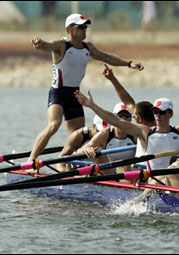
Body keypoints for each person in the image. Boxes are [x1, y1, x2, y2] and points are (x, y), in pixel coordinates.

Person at [27, 13, 144, 166]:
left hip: (75, 94)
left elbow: (107, 57)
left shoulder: (88, 47)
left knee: (77, 136)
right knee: (54, 125)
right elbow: (46, 46)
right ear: (69, 29)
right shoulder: (61, 45)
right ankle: (30, 162)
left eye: (85, 27)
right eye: (80, 27)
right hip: (58, 93)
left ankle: (71, 167)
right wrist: (39, 43)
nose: (84, 29)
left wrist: (129, 64)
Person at [74, 90, 179, 189]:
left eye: (161, 113)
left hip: (178, 180)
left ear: (170, 114)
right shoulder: (145, 132)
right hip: (153, 180)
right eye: (155, 112)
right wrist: (92, 105)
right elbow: (116, 122)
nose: (157, 116)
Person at [77, 103, 137, 178]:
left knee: (124, 167)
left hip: (126, 173)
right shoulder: (105, 134)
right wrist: (86, 150)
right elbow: (78, 153)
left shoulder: (135, 134)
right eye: (120, 116)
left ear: (131, 119)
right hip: (107, 174)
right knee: (98, 152)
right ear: (114, 118)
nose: (123, 119)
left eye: (127, 116)